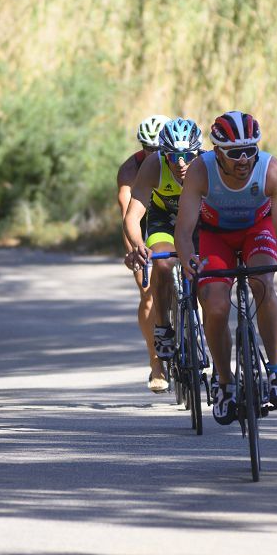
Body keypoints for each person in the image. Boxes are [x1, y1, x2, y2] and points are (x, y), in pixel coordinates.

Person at [173, 111, 277, 425]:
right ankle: (225, 384)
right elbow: (184, 228)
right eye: (234, 153)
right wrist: (189, 258)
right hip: (216, 237)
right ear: (216, 152)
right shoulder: (200, 172)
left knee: (262, 284)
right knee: (215, 305)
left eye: (250, 150)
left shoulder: (274, 172)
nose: (244, 160)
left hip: (258, 230)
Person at [123, 118, 203, 390]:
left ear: (199, 153)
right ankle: (163, 328)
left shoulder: (209, 165)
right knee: (165, 264)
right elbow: (132, 217)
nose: (181, 163)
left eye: (187, 156)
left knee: (210, 277)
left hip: (198, 221)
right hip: (164, 220)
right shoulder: (153, 165)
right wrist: (137, 245)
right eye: (173, 156)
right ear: (162, 154)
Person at [117, 114, 171, 392]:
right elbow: (129, 216)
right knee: (148, 291)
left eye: (159, 148)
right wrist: (136, 258)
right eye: (148, 148)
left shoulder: (183, 161)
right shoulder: (130, 170)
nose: (154, 154)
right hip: (144, 223)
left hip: (174, 219)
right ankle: (156, 364)